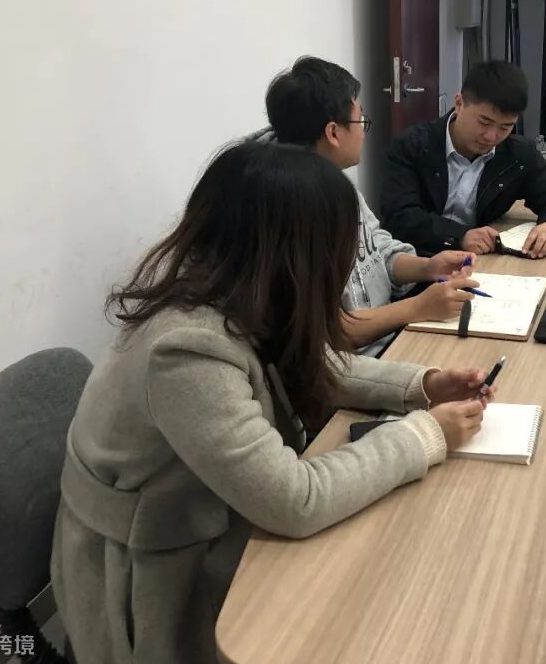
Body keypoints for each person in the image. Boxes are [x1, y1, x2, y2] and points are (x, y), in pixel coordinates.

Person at [51, 141, 494, 664]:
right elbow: (294, 501)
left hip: (211, 517)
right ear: (293, 253)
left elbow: (314, 364)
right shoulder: (185, 349)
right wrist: (426, 433)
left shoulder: (239, 290)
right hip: (149, 578)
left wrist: (425, 385)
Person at [255, 56, 477, 356]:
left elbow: (378, 249)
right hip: (355, 364)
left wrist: (428, 267)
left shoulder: (337, 185)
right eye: (360, 120)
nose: (363, 131)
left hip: (390, 336)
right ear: (333, 133)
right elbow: (329, 333)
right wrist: (417, 307)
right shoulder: (290, 214)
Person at [381, 60, 546, 258]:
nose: (491, 136)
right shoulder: (412, 145)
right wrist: (460, 236)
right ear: (459, 103)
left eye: (505, 127)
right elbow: (400, 216)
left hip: (480, 262)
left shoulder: (517, 155)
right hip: (416, 260)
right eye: (484, 122)